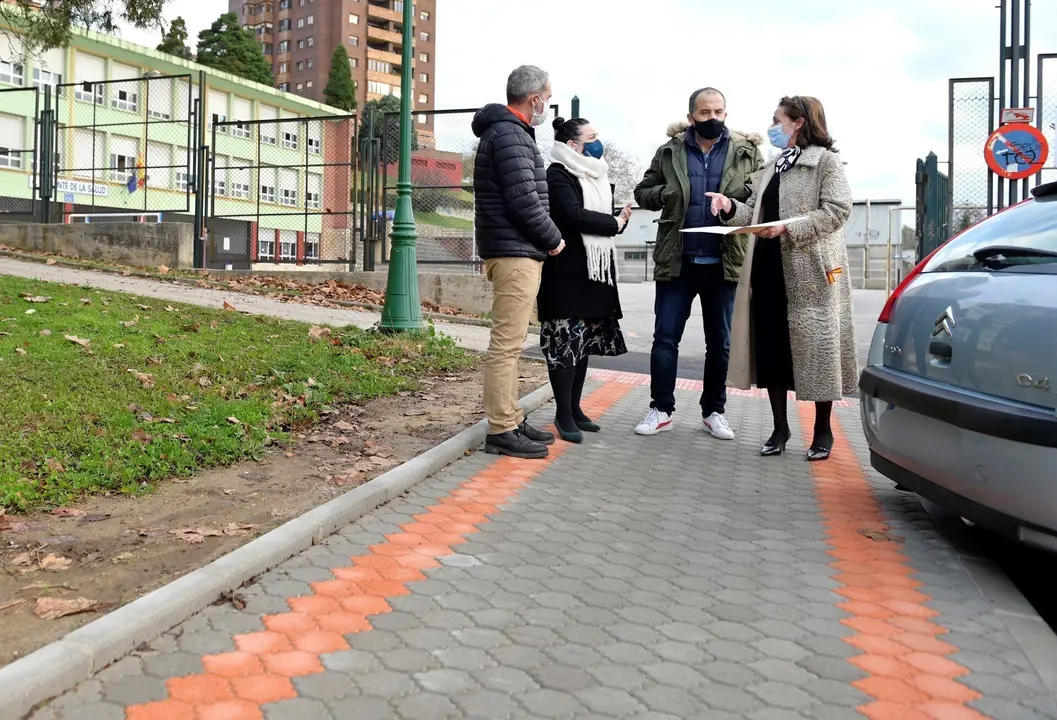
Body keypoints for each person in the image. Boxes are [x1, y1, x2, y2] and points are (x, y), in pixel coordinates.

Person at [706, 95, 857, 461]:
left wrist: (787, 229)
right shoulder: (774, 166)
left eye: (777, 119)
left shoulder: (825, 162)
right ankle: (779, 428)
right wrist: (729, 207)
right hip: (768, 268)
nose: (772, 125)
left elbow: (837, 211)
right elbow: (756, 215)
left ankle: (823, 431)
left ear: (798, 122)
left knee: (818, 352)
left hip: (811, 272)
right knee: (772, 348)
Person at [632, 87, 764, 439]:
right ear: (691, 117)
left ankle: (714, 412)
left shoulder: (747, 153)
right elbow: (642, 192)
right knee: (665, 339)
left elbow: (762, 196)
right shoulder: (669, 151)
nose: (713, 119)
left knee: (719, 343)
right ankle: (661, 409)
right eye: (705, 113)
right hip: (679, 261)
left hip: (724, 261)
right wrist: (667, 194)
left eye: (718, 112)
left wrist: (732, 205)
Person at [471, 65, 565, 459]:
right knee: (507, 345)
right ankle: (501, 429)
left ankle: (509, 416)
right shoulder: (509, 134)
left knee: (510, 343)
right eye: (547, 96)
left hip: (514, 249)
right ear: (534, 99)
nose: (547, 104)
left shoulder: (508, 132)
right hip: (515, 251)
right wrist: (553, 239)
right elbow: (524, 199)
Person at [537, 116, 632, 443]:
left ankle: (575, 409)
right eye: (591, 137)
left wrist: (619, 221)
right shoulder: (557, 175)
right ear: (573, 145)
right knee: (564, 343)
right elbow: (573, 215)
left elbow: (604, 220)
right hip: (565, 274)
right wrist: (613, 222)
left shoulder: (596, 175)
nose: (597, 142)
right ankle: (563, 414)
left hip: (593, 273)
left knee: (583, 344)